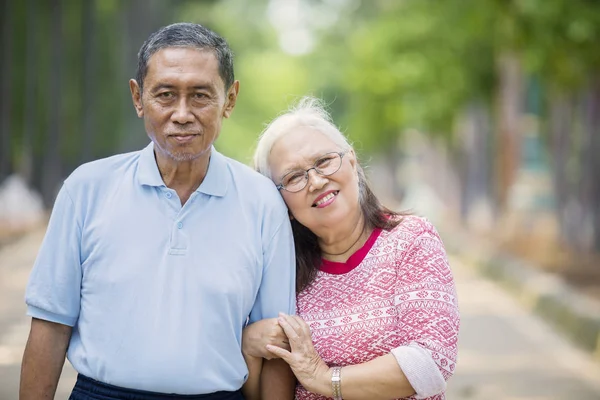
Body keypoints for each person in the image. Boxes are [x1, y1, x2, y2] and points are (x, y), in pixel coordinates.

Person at [20, 22, 296, 400]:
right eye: (165, 95)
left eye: (200, 96)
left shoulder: (262, 202)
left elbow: (275, 341)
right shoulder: (86, 189)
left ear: (229, 100)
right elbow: (51, 325)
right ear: (138, 98)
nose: (182, 114)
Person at [242, 97, 460, 399]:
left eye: (324, 161)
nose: (316, 181)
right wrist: (248, 346)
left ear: (352, 161)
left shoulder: (411, 240)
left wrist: (323, 378)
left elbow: (431, 364)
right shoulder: (281, 271)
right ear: (282, 204)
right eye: (294, 177)